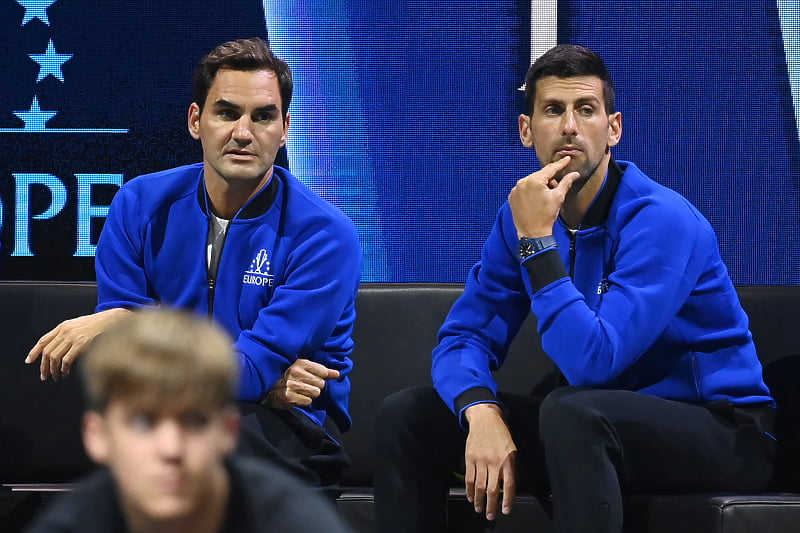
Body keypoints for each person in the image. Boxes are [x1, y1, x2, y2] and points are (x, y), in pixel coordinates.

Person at [372, 44, 776, 533]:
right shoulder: (518, 218)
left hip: (719, 430)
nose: (569, 126)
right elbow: (464, 337)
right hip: (589, 429)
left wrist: (539, 244)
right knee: (409, 415)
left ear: (614, 129)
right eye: (552, 110)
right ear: (527, 131)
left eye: (586, 110)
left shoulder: (662, 220)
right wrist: (480, 410)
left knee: (570, 410)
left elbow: (594, 362)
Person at [25, 37, 362, 487]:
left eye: (263, 117)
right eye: (227, 113)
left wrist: (126, 322)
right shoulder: (139, 205)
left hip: (287, 433)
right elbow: (129, 363)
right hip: (163, 415)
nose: (244, 132)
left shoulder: (325, 236)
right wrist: (261, 386)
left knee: (196, 458)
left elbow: (253, 367)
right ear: (195, 121)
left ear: (284, 131)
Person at [24, 309, 354, 533]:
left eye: (194, 422)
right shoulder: (68, 525)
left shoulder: (298, 523)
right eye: (143, 423)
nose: (171, 449)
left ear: (228, 430)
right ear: (97, 436)